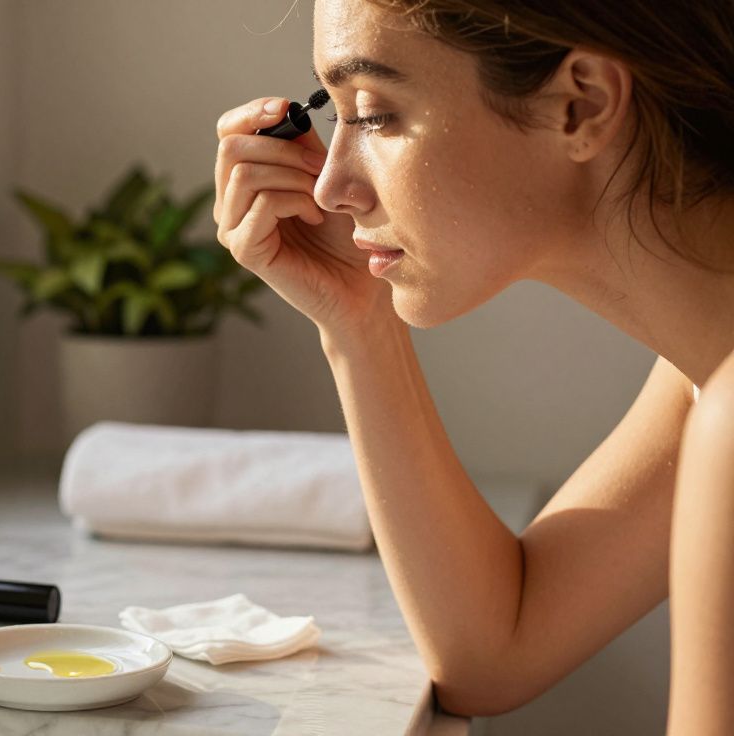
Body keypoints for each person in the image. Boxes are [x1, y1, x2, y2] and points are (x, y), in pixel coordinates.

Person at [212, 0, 734, 730]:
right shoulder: (706, 376)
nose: (330, 188)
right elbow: (496, 653)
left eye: (374, 113)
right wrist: (357, 322)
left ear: (580, 105)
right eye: (332, 114)